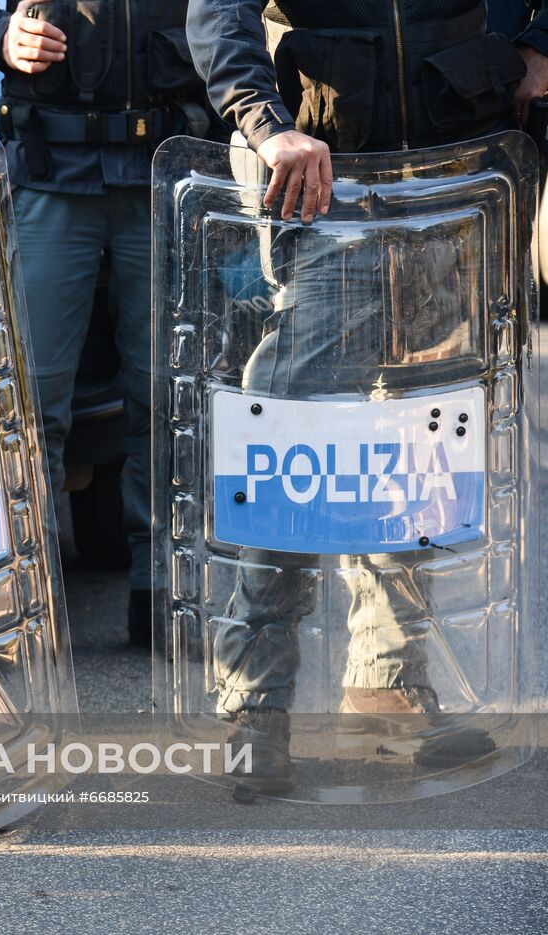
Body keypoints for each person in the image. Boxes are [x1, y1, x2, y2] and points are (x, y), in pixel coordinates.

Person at [187, 0, 545, 792]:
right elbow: (219, 12)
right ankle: (257, 703)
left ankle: (387, 680)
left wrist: (537, 45)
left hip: (461, 180)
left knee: (420, 436)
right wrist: (265, 121)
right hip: (327, 190)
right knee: (294, 435)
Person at [0, 0, 213, 647]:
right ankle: (25, 600)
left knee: (165, 396)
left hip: (161, 169)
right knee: (29, 403)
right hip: (51, 172)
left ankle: (164, 592)